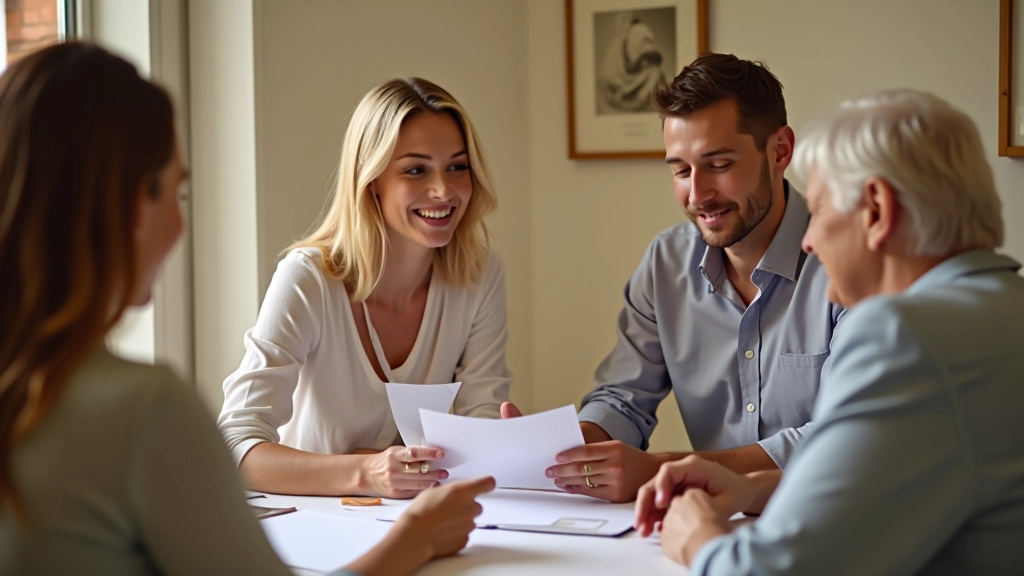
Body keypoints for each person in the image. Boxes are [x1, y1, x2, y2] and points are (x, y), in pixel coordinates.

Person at [0, 42, 495, 576]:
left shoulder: (39, 393)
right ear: (126, 207)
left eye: (457, 167)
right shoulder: (146, 412)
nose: (180, 225)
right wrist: (416, 537)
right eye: (176, 192)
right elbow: (242, 439)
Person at [635, 89, 1024, 574]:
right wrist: (753, 486)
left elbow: (774, 571)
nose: (809, 239)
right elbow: (895, 483)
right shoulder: (1003, 310)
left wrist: (697, 538)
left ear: (876, 211)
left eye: (818, 210)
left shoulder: (907, 335)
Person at [503, 53, 841, 503]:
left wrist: (664, 470)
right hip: (712, 527)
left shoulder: (848, 262)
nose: (697, 194)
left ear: (779, 150)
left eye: (719, 165)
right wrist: (565, 451)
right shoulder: (667, 262)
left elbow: (843, 438)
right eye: (681, 170)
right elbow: (624, 399)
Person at [217, 78, 512, 499]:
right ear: (371, 178)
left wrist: (502, 445)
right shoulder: (307, 279)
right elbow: (236, 446)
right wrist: (366, 470)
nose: (444, 191)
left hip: (413, 517)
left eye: (457, 167)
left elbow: (481, 418)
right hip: (314, 530)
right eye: (416, 170)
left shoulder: (480, 273)